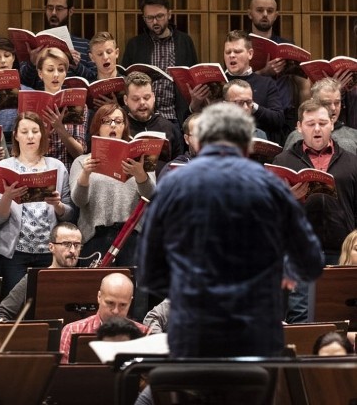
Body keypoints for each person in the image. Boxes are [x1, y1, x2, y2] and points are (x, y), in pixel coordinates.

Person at [138, 102, 324, 357]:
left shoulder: (174, 183)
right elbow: (311, 262)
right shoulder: (270, 186)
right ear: (247, 146)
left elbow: (149, 270)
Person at [0, 111, 75, 298]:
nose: (30, 136)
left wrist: (58, 205)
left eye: (35, 131)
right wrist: (7, 197)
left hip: (49, 251)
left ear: (42, 135)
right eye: (25, 131)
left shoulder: (57, 166)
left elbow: (69, 214)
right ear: (16, 135)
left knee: (46, 304)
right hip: (15, 254)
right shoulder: (4, 167)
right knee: (15, 306)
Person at [71, 103, 156, 267]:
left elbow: (152, 196)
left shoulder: (140, 159)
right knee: (95, 290)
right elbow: (79, 201)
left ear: (124, 127)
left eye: (118, 121)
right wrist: (86, 174)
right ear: (97, 127)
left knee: (133, 291)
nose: (113, 125)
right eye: (106, 121)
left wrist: (140, 175)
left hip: (132, 236)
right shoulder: (82, 161)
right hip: (95, 237)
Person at [273, 99, 357, 265]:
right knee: (301, 293)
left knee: (340, 292)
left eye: (323, 123)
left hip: (341, 250)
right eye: (310, 124)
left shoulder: (352, 161)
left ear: (332, 124)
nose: (317, 129)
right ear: (299, 127)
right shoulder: (282, 161)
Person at [120, 0, 199, 125]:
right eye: (149, 18)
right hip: (143, 116)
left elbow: (192, 76)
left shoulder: (184, 41)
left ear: (169, 14)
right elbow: (125, 79)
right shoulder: (135, 44)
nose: (155, 22)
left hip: (176, 116)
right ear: (144, 19)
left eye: (159, 16)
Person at [246, 0, 309, 134]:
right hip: (249, 113)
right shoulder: (241, 46)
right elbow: (232, 81)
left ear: (276, 15)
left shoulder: (287, 46)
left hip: (284, 115)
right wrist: (263, 73)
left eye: (270, 11)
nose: (265, 14)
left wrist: (304, 118)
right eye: (259, 10)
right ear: (250, 14)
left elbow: (304, 84)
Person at [0, 222, 83, 321]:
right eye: (66, 244)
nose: (72, 250)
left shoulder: (88, 279)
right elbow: (3, 312)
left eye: (76, 245)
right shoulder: (35, 278)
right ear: (51, 247)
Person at [58, 273, 147, 363]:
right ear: (99, 297)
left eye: (123, 305)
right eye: (110, 303)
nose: (116, 311)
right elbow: (63, 375)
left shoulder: (144, 334)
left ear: (130, 301)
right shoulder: (72, 330)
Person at [19, 0, 97, 89]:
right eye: (50, 8)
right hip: (42, 100)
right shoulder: (34, 43)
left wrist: (76, 66)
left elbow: (95, 80)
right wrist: (32, 63)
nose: (54, 13)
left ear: (71, 11)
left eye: (59, 9)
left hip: (74, 101)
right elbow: (23, 82)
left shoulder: (85, 45)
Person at [223, 29, 285, 142]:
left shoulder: (266, 83)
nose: (232, 55)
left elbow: (278, 120)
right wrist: (194, 105)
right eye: (228, 52)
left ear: (250, 54)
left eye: (237, 52)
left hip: (258, 146)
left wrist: (251, 106)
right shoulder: (218, 82)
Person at [33, 47, 88, 165]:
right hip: (40, 171)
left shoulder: (78, 104)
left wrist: (59, 128)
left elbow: (79, 154)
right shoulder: (31, 103)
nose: (56, 75)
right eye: (50, 70)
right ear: (40, 73)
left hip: (68, 172)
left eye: (61, 70)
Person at [284, 77, 357, 154]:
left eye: (337, 103)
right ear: (313, 102)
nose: (333, 108)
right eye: (327, 103)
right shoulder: (296, 137)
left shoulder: (354, 136)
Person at [124, 72, 184, 162]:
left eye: (146, 97)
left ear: (153, 97)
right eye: (136, 99)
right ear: (126, 100)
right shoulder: (120, 127)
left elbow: (179, 164)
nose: (142, 103)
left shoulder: (168, 127)